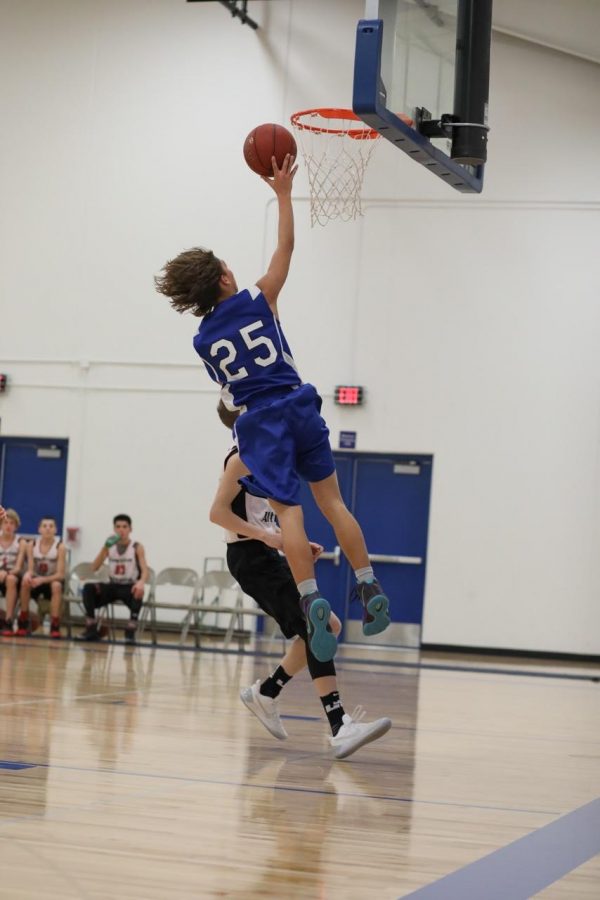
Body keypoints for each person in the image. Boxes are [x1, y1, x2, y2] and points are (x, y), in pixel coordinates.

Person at [155, 153, 391, 665]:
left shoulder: (202, 341)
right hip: (299, 402)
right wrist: (283, 193)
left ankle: (310, 600)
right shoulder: (260, 298)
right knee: (333, 504)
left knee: (289, 510)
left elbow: (229, 394)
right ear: (223, 278)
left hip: (260, 420)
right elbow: (285, 248)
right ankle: (369, 584)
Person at [209, 401, 391, 760]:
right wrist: (267, 537)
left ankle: (266, 692)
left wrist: (289, 542)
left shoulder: (265, 453)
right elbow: (217, 513)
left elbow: (268, 516)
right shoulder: (239, 458)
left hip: (267, 553)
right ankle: (339, 726)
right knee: (314, 629)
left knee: (329, 626)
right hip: (250, 557)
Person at [76, 514, 149, 644]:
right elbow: (94, 567)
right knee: (88, 588)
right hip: (112, 585)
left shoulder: (137, 547)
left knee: (139, 591)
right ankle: (91, 628)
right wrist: (105, 547)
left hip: (129, 586)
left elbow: (144, 570)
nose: (121, 530)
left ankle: (130, 631)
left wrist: (141, 582)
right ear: (114, 529)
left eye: (125, 527)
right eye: (118, 527)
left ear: (130, 529)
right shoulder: (110, 546)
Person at [18, 516, 66, 638]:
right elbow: (30, 569)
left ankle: (54, 624)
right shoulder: (31, 545)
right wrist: (28, 575)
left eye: (51, 526)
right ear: (39, 529)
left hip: (51, 580)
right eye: (44, 526)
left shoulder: (60, 547)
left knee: (56, 585)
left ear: (56, 530)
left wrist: (42, 580)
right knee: (25, 582)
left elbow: (60, 575)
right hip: (37, 579)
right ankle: (23, 619)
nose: (48, 529)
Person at [0, 507, 27, 634]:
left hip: (14, 574)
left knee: (10, 580)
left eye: (12, 523)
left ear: (16, 526)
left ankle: (8, 620)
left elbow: (18, 566)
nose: (8, 526)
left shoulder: (21, 542)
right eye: (6, 522)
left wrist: (7, 573)